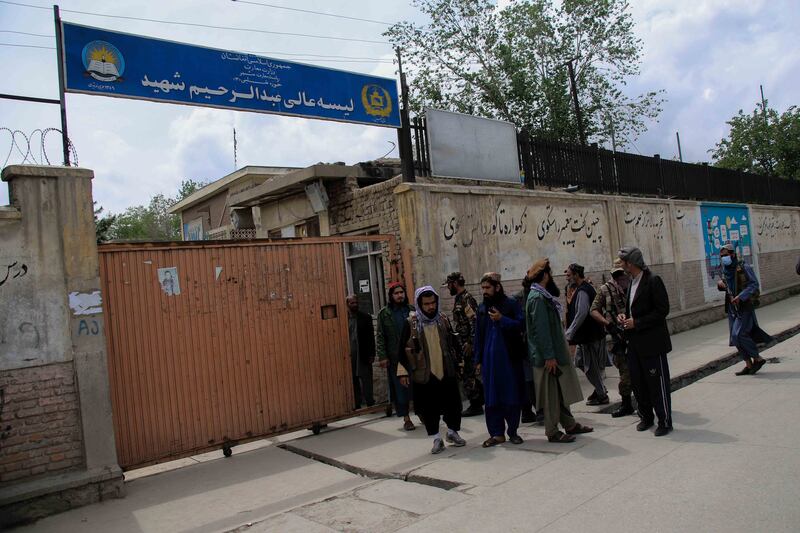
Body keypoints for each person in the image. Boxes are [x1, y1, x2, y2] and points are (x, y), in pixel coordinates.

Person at [525, 259, 593, 443]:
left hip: (554, 354)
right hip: (548, 357)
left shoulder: (542, 295)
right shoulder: (538, 298)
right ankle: (552, 431)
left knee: (560, 392)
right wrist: (549, 356)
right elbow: (541, 330)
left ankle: (569, 424)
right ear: (545, 275)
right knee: (551, 396)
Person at [398, 286, 467, 454]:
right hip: (424, 373)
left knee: (453, 404)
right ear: (419, 304)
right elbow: (401, 349)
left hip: (446, 369)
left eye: (433, 303)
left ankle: (452, 432)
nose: (430, 307)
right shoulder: (411, 323)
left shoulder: (442, 319)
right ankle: (436, 438)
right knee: (429, 408)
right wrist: (403, 372)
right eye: (426, 304)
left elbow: (452, 343)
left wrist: (459, 363)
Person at [616, 247, 673, 437]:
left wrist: (637, 322)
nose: (621, 265)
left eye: (623, 262)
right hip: (634, 344)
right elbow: (632, 309)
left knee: (657, 383)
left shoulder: (653, 281)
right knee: (639, 384)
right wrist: (625, 317)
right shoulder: (631, 282)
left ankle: (664, 421)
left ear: (630, 263)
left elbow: (662, 310)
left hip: (652, 343)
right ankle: (646, 416)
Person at [474, 272, 527, 447]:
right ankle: (497, 434)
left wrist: (502, 319)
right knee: (491, 398)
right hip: (489, 362)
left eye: (487, 288)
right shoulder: (482, 308)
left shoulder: (511, 304)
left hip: (509, 360)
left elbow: (521, 325)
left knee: (511, 396)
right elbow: (478, 336)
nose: (485, 291)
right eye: (482, 288)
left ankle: (512, 431)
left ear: (497, 287)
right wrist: (478, 360)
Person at [717, 243, 773, 375]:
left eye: (726, 255)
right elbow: (726, 285)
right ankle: (748, 364)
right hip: (732, 308)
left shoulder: (743, 267)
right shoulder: (725, 270)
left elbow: (754, 284)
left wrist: (741, 296)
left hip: (744, 306)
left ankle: (757, 358)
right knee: (734, 338)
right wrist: (721, 285)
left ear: (733, 254)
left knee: (739, 334)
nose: (724, 258)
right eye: (721, 256)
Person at [590, 259, 635, 418]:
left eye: (622, 273)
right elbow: (593, 310)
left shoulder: (633, 286)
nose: (620, 277)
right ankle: (626, 404)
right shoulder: (605, 290)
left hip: (636, 334)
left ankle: (644, 402)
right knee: (625, 372)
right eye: (616, 274)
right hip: (619, 338)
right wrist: (608, 324)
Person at [564, 263, 609, 406]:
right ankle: (600, 387)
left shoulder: (583, 290)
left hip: (590, 335)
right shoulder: (579, 289)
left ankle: (601, 394)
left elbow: (582, 313)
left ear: (576, 275)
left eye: (569, 275)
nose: (567, 277)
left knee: (590, 366)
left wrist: (570, 332)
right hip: (585, 336)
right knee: (580, 362)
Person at [376, 282, 416, 430]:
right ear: (391, 296)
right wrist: (382, 356)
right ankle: (406, 418)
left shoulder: (411, 310)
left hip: (412, 355)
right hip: (395, 358)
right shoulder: (384, 313)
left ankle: (422, 413)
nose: (400, 295)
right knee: (401, 388)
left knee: (417, 385)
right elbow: (380, 336)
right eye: (396, 293)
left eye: (401, 292)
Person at [444, 272, 483, 416]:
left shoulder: (466, 299)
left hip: (468, 344)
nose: (448, 288)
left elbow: (474, 321)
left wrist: (470, 342)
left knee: (469, 374)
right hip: (462, 344)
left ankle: (476, 404)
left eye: (449, 284)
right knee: (467, 373)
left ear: (454, 283)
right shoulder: (459, 299)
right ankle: (477, 401)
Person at [514, 278, 543, 425]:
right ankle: (537, 410)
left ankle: (532, 410)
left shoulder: (533, 296)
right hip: (526, 346)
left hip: (530, 346)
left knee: (529, 379)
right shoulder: (519, 299)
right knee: (530, 379)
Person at [347, 295, 375, 409]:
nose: (355, 305)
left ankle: (370, 402)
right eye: (352, 303)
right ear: (347, 304)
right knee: (353, 379)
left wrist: (372, 354)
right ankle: (356, 403)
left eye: (356, 302)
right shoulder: (344, 319)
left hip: (363, 353)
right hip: (350, 355)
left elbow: (370, 338)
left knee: (366, 378)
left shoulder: (365, 318)